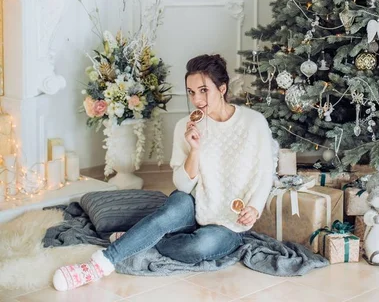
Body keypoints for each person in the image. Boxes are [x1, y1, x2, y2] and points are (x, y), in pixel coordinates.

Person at [53, 53, 276, 291]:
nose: (197, 99)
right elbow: (182, 186)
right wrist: (194, 149)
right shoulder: (186, 126)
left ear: (222, 88)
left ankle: (135, 239)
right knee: (168, 212)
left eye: (203, 90)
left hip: (230, 223)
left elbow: (265, 173)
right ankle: (99, 265)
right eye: (191, 92)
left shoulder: (254, 123)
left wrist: (254, 208)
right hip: (195, 203)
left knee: (199, 247)